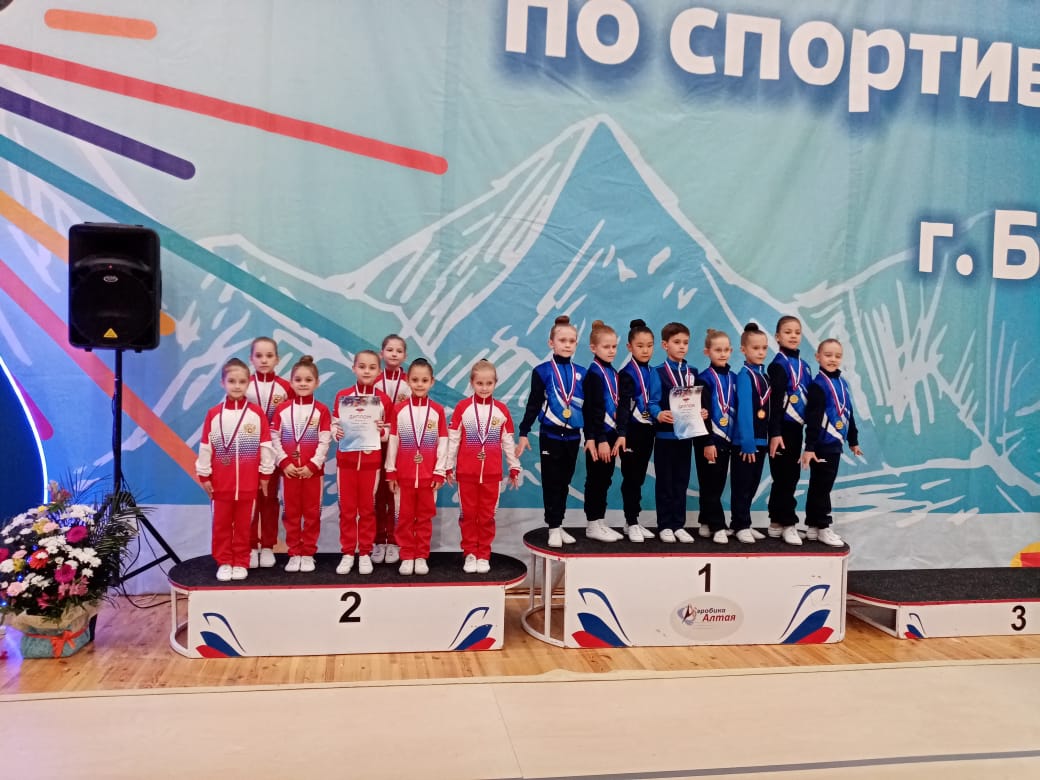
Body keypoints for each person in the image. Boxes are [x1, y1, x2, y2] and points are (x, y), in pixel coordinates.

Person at [196, 358, 275, 581]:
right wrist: (204, 474)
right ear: (222, 383)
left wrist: (265, 473)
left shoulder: (256, 414)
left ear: (248, 383)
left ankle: (241, 560)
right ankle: (224, 561)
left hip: (249, 484)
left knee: (244, 526)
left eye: (242, 381)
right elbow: (206, 446)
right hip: (221, 483)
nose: (237, 386)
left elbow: (265, 445)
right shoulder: (214, 414)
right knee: (221, 525)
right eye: (232, 381)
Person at [516, 315, 586, 548]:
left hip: (573, 437)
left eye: (572, 341)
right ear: (551, 343)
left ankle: (559, 523)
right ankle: (553, 526)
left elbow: (589, 408)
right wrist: (524, 432)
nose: (567, 345)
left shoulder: (582, 373)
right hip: (551, 436)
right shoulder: (542, 371)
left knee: (564, 482)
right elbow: (534, 404)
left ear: (576, 344)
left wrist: (592, 437)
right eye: (562, 340)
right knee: (552, 482)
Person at [446, 359, 521, 573]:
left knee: (487, 517)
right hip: (466, 474)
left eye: (489, 383)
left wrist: (514, 467)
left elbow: (507, 442)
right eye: (480, 383)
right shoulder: (463, 408)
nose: (484, 388)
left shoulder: (501, 410)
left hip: (492, 474)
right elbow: (453, 440)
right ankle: (470, 553)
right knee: (468, 516)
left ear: (495, 383)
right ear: (472, 383)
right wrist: (448, 467)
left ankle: (483, 554)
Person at [332, 350, 393, 575]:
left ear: (379, 371)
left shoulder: (383, 400)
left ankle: (365, 552)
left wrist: (381, 430)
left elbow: (388, 432)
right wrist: (336, 432)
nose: (367, 371)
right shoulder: (343, 396)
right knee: (347, 510)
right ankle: (348, 552)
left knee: (367, 509)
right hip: (346, 462)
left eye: (372, 367)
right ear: (354, 368)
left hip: (370, 463)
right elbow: (334, 425)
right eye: (362, 366)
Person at [386, 358, 449, 575]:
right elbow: (393, 441)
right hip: (403, 476)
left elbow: (443, 442)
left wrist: (439, 472)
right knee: (403, 518)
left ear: (432, 382)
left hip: (428, 477)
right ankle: (406, 554)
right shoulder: (399, 410)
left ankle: (421, 555)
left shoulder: (437, 411)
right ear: (407, 380)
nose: (419, 384)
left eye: (424, 380)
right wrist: (391, 471)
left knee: (424, 518)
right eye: (415, 380)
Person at [271, 355, 332, 573]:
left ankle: (308, 553)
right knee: (291, 513)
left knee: (312, 513)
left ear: (317, 383)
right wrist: (284, 462)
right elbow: (274, 437)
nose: (303, 384)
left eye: (308, 380)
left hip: (312, 473)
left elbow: (325, 440)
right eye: (298, 380)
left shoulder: (322, 410)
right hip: (288, 472)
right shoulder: (282, 409)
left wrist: (313, 465)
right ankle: (294, 552)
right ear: (291, 382)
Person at [801, 338, 862, 547]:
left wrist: (853, 440)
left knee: (819, 485)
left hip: (835, 444)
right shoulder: (818, 385)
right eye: (828, 355)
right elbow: (813, 419)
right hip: (822, 445)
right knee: (822, 487)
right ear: (818, 357)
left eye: (837, 356)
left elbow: (848, 414)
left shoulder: (842, 383)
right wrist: (810, 447)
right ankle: (823, 526)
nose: (833, 359)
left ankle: (812, 526)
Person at [653, 322, 708, 542]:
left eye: (685, 342)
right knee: (665, 482)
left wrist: (702, 412)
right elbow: (652, 402)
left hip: (686, 437)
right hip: (665, 437)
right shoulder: (657, 372)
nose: (682, 346)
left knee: (681, 482)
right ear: (665, 345)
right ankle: (665, 525)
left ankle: (678, 524)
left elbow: (696, 402)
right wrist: (658, 414)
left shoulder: (693, 372)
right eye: (677, 342)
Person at [245, 337, 294, 569]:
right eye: (259, 356)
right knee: (250, 500)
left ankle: (267, 546)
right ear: (251, 359)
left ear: (277, 359)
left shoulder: (286, 387)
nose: (264, 360)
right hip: (248, 452)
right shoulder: (244, 384)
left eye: (269, 356)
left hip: (274, 453)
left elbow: (293, 420)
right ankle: (250, 545)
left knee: (269, 500)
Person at [767, 316, 813, 546]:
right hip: (781, 430)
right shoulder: (778, 365)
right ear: (777, 337)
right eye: (787, 332)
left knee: (790, 477)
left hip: (797, 428)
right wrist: (775, 433)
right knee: (783, 477)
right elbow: (774, 403)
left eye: (797, 332)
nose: (793, 336)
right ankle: (788, 522)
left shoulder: (805, 366)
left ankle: (776, 521)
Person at [616, 319, 661, 542]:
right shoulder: (626, 374)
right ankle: (631, 520)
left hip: (648, 431)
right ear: (629, 347)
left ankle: (631, 522)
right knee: (631, 478)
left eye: (649, 345)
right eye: (640, 346)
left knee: (640, 477)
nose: (645, 350)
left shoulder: (654, 372)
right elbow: (623, 407)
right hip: (631, 433)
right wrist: (622, 434)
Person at [582, 320, 625, 542]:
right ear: (593, 348)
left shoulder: (612, 372)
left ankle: (600, 521)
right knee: (596, 479)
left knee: (605, 480)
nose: (611, 351)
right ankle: (592, 524)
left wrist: (615, 436)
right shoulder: (594, 373)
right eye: (606, 347)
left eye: (614, 346)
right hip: (599, 437)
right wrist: (599, 439)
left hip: (610, 435)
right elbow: (592, 410)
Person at [730, 323, 771, 544]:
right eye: (756, 348)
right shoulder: (744, 376)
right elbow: (744, 410)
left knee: (753, 484)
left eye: (764, 348)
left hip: (761, 440)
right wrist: (747, 442)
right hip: (745, 443)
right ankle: (740, 524)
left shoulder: (764, 376)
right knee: (742, 485)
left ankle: (743, 521)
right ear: (743, 350)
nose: (761, 352)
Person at [695, 329, 736, 544]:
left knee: (718, 483)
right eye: (717, 350)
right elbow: (700, 414)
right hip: (709, 439)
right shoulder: (703, 379)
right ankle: (718, 525)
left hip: (727, 440)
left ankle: (705, 521)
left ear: (731, 351)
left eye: (726, 350)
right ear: (707, 352)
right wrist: (707, 441)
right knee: (709, 482)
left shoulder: (734, 378)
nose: (722, 354)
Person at [373, 334, 410, 566]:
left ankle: (396, 541)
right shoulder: (374, 381)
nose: (394, 354)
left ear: (404, 356)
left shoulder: (410, 381)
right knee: (379, 495)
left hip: (401, 446)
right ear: (381, 353)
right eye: (389, 350)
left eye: (398, 350)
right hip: (376, 444)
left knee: (396, 494)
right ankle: (379, 541)